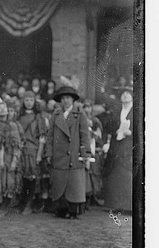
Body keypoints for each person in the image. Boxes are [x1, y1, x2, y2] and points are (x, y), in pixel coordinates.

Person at [45, 86, 92, 219]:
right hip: (59, 156)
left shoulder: (79, 115)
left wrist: (85, 154)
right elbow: (50, 137)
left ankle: (73, 211)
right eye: (63, 98)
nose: (65, 101)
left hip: (74, 155)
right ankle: (60, 209)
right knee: (59, 183)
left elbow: (85, 135)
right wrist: (49, 153)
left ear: (73, 99)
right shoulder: (55, 115)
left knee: (74, 184)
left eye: (68, 98)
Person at [102, 88, 133, 213]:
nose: (125, 96)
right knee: (115, 174)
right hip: (116, 145)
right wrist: (115, 130)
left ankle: (128, 206)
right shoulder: (116, 111)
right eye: (123, 94)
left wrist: (131, 132)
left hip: (130, 145)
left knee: (127, 174)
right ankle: (115, 205)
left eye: (128, 94)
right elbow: (109, 126)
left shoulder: (136, 111)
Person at [17, 91, 48, 214]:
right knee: (23, 178)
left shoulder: (38, 117)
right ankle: (22, 202)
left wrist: (39, 154)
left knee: (32, 178)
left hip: (33, 150)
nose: (29, 102)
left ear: (35, 102)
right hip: (21, 150)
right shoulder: (19, 117)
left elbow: (42, 137)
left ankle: (30, 204)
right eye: (26, 100)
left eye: (31, 100)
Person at [0, 100, 22, 218]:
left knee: (7, 182)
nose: (3, 109)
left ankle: (4, 207)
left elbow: (17, 144)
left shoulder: (12, 125)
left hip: (8, 157)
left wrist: (14, 160)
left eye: (4, 107)